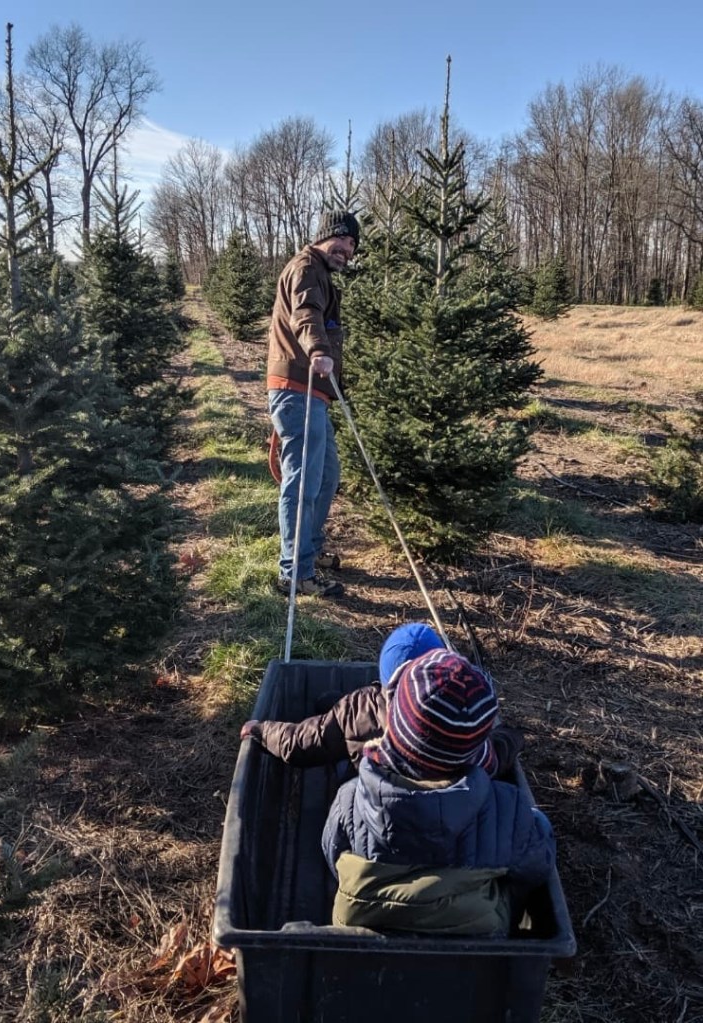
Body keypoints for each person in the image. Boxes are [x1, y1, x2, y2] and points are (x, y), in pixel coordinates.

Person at [321, 648, 555, 936]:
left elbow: (333, 857)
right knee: (538, 825)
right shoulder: (507, 807)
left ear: (394, 728)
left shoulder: (350, 798)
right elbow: (534, 869)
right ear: (478, 748)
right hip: (473, 936)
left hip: (364, 930)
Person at [240, 622, 524, 775]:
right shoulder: (471, 747)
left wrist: (262, 731)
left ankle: (335, 716)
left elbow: (303, 742)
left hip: (373, 790)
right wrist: (513, 735)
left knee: (340, 734)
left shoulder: (362, 708)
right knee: (337, 710)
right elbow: (500, 751)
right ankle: (334, 711)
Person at [267, 210, 359, 599]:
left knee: (327, 476)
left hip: (314, 392)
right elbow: (306, 313)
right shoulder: (306, 267)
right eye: (342, 239)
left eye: (352, 244)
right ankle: (295, 573)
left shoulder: (321, 271)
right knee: (303, 481)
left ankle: (310, 549)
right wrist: (319, 350)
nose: (347, 249)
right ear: (324, 236)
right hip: (297, 387)